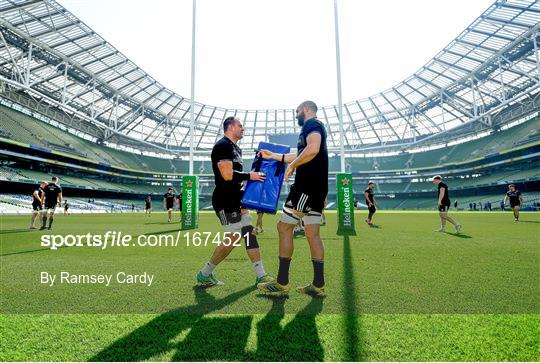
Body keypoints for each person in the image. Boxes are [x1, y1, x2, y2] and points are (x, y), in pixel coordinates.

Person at [257, 100, 328, 297]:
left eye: (297, 111)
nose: (296, 115)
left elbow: (312, 149)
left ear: (305, 110)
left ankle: (282, 282)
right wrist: (276, 156)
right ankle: (318, 285)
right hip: (317, 189)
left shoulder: (311, 124)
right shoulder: (315, 127)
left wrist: (293, 165)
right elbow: (303, 152)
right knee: (312, 233)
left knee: (284, 227)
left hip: (306, 187)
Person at [195, 116, 273, 286]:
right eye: (240, 125)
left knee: (248, 232)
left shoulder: (236, 148)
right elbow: (227, 175)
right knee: (234, 237)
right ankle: (205, 273)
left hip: (237, 198)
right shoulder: (223, 146)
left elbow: (236, 177)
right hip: (224, 201)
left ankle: (261, 274)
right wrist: (250, 176)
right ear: (230, 127)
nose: (243, 128)